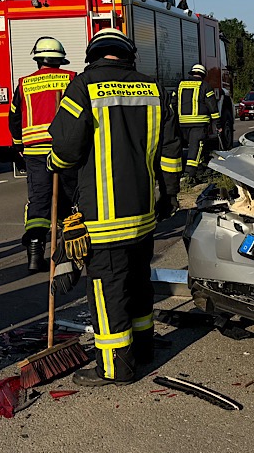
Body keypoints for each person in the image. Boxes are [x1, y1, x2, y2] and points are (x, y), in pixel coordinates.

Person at [47, 28, 182, 386]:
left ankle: (115, 367)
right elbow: (171, 152)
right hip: (144, 214)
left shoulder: (83, 87)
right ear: (128, 56)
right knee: (138, 282)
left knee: (108, 290)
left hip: (104, 218)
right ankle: (143, 347)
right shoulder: (153, 89)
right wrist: (168, 195)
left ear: (93, 56)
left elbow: (66, 148)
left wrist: (53, 163)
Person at [8, 36, 77, 273]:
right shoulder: (71, 79)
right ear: (60, 60)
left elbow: (14, 117)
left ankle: (35, 253)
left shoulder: (25, 83)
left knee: (39, 200)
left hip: (35, 152)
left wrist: (19, 145)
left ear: (38, 59)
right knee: (69, 198)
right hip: (64, 149)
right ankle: (70, 250)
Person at [176, 63, 219, 182]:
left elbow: (174, 102)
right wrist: (217, 123)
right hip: (199, 125)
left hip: (181, 124)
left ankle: (199, 172)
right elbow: (212, 106)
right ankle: (189, 177)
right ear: (203, 75)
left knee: (194, 150)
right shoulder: (205, 86)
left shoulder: (180, 85)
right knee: (194, 151)